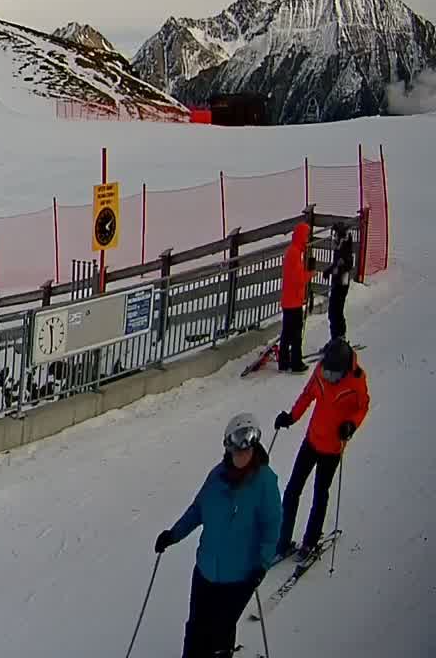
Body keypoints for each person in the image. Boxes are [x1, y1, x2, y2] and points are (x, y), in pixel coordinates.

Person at [154, 413, 281, 658]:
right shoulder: (217, 476)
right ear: (229, 448)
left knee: (220, 632)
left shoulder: (265, 482)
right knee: (196, 628)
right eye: (237, 450)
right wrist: (173, 535)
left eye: (247, 449)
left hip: (239, 577)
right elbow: (198, 509)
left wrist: (262, 563)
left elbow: (271, 526)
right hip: (205, 570)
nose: (242, 455)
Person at [273, 337, 368, 559]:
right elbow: (308, 395)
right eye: (327, 371)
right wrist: (291, 417)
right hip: (312, 440)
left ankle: (310, 542)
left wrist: (351, 425)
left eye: (333, 374)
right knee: (293, 489)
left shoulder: (356, 381)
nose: (328, 377)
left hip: (333, 448)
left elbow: (362, 406)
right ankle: (282, 540)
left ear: (345, 370)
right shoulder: (322, 369)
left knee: (319, 494)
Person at [276, 221, 312, 372]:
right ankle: (296, 363)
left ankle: (284, 362)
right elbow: (297, 279)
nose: (308, 240)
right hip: (294, 301)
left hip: (289, 300)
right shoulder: (295, 254)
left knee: (287, 332)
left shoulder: (294, 251)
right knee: (295, 333)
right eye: (306, 236)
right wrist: (309, 274)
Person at [323, 223, 355, 341]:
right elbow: (337, 263)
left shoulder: (345, 247)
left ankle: (340, 338)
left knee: (336, 312)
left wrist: (339, 269)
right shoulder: (340, 247)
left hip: (342, 284)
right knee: (333, 311)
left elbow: (348, 263)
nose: (334, 238)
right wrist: (329, 270)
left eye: (336, 235)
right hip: (337, 282)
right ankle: (335, 338)